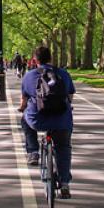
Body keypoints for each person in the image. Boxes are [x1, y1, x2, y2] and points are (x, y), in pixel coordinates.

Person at [19, 46, 76, 199]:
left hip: (38, 119)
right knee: (63, 147)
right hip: (61, 120)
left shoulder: (29, 76)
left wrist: (22, 108)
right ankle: (64, 183)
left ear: (35, 60)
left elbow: (23, 102)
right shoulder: (63, 74)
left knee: (24, 119)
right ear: (51, 58)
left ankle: (33, 152)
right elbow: (70, 96)